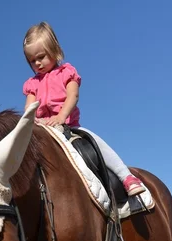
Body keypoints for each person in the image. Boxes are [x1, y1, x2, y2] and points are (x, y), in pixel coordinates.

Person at [22, 21, 145, 197]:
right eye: (32, 60)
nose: (37, 63)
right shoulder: (32, 84)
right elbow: (30, 106)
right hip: (43, 130)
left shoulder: (66, 72)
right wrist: (31, 118)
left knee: (95, 143)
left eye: (41, 56)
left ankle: (126, 177)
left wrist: (61, 116)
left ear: (55, 52)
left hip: (68, 127)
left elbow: (73, 96)